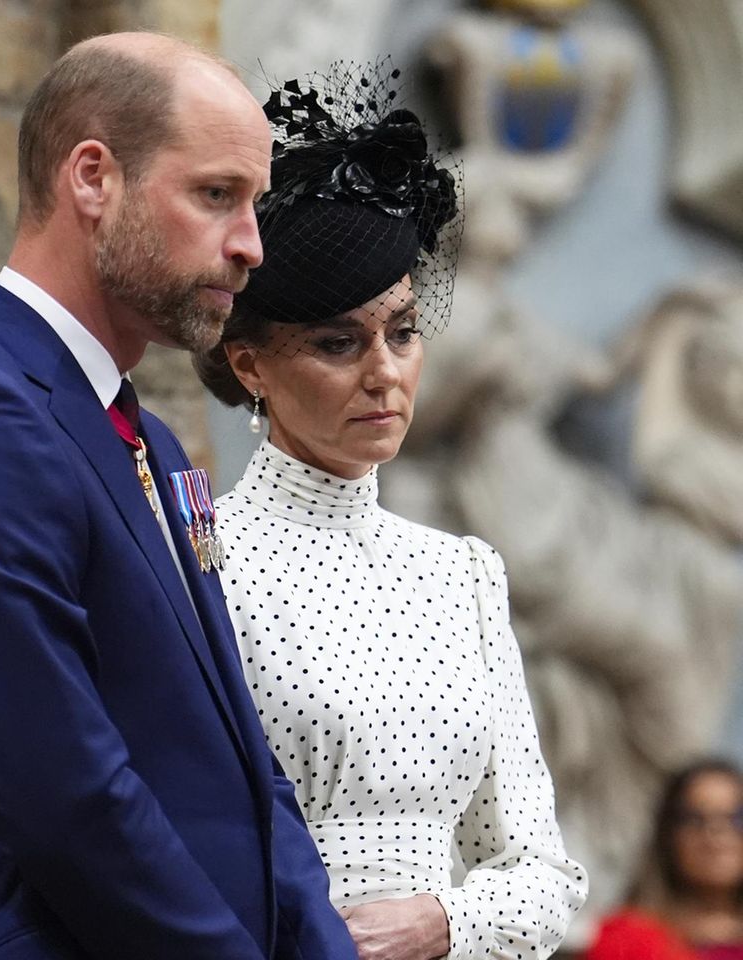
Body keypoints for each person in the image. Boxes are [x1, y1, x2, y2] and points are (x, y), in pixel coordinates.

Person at [0, 33, 359, 960]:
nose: (251, 246)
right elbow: (69, 799)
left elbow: (249, 764)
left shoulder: (149, 439)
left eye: (254, 204)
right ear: (93, 178)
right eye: (217, 195)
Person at [194, 60, 587, 960]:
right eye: (338, 343)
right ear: (251, 365)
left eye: (402, 332)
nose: (384, 372)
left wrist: (443, 922)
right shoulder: (202, 558)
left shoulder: (463, 574)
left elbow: (544, 875)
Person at [585, 759, 743, 960]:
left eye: (737, 818)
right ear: (668, 835)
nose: (716, 833)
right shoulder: (625, 940)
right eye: (694, 819)